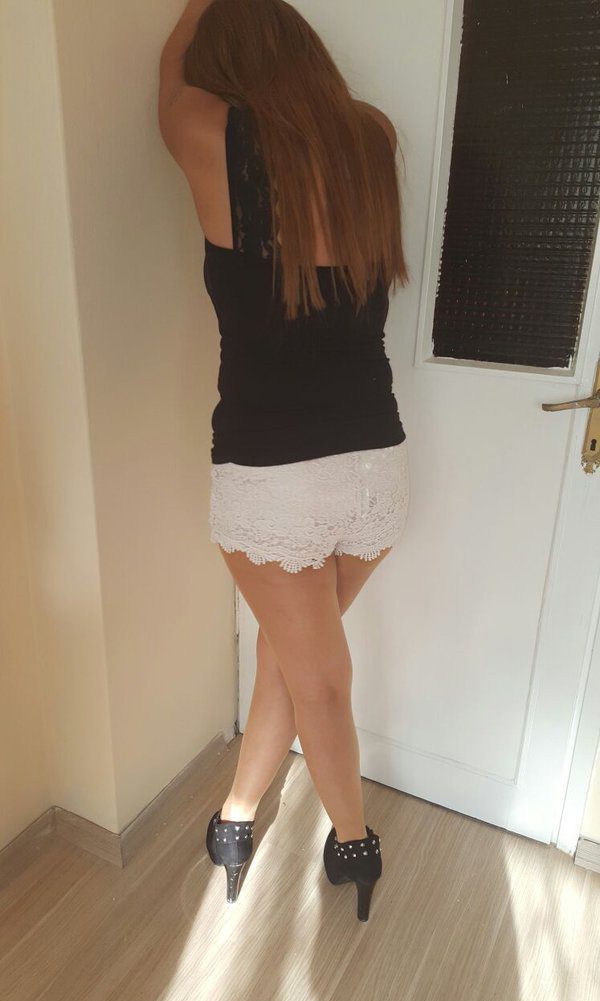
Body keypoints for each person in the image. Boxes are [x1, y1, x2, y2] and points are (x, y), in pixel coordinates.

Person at [158, 0, 410, 920]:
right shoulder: (371, 138)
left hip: (273, 480)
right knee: (289, 657)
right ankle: (235, 816)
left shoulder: (214, 137)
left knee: (316, 677)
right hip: (375, 472)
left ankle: (352, 843)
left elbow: (168, 89)